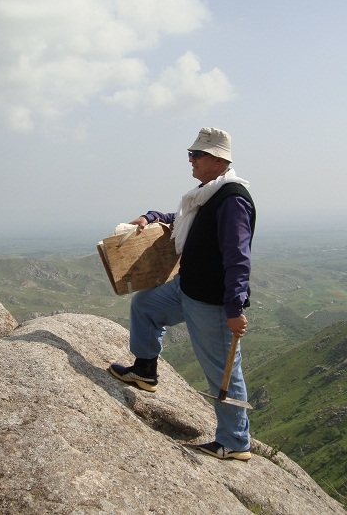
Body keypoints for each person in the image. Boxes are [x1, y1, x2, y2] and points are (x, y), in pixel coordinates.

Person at [109, 127, 256, 461]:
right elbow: (184, 220)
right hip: (186, 287)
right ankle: (145, 370)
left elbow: (238, 257)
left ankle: (234, 442)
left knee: (223, 370)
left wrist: (234, 308)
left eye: (197, 155)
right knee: (145, 304)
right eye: (191, 154)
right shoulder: (207, 195)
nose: (190, 160)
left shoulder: (232, 200)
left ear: (218, 159)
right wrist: (151, 217)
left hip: (212, 301)